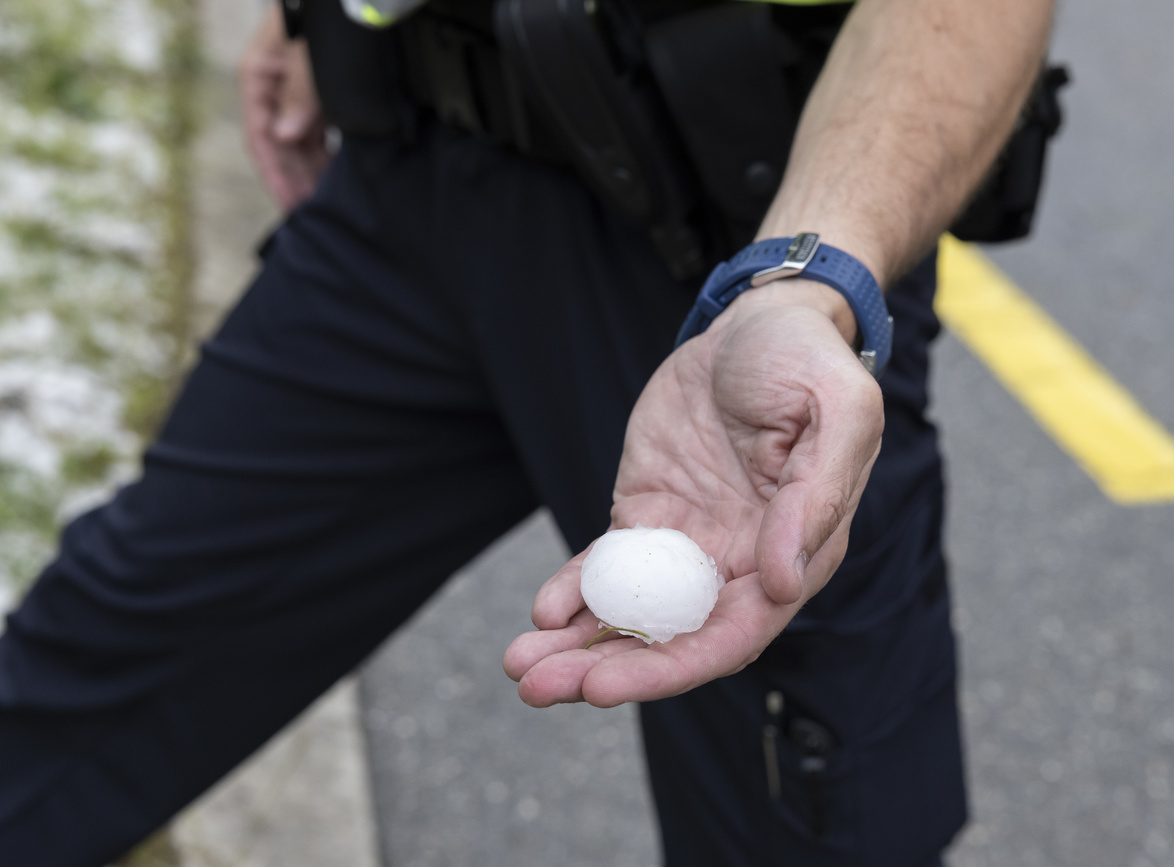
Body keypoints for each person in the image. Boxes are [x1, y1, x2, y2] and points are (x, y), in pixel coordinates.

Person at [0, 0, 1053, 864]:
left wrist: (806, 279)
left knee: (805, 815)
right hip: (411, 180)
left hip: (739, 266)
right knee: (99, 663)